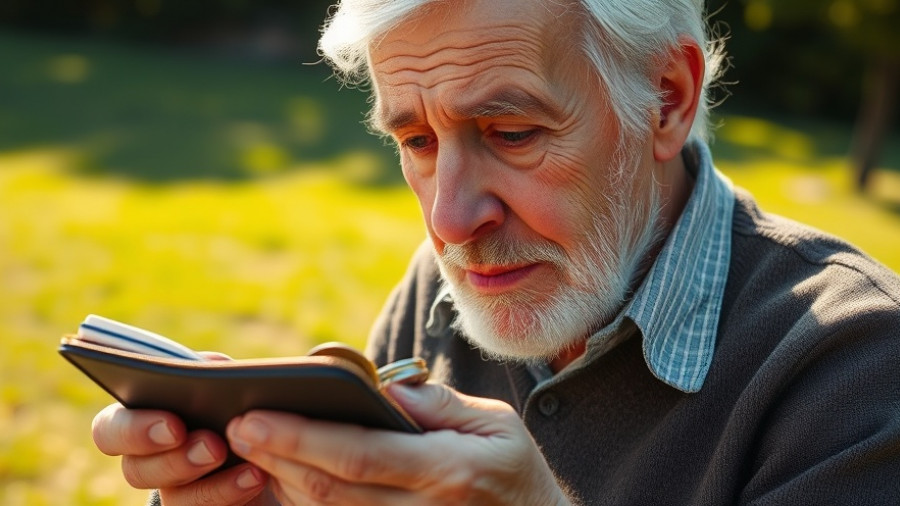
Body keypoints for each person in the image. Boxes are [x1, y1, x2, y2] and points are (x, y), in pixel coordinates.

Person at [90, 0, 900, 504]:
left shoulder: (854, 364)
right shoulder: (445, 291)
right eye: (414, 139)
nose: (449, 220)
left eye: (511, 134)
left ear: (666, 100)